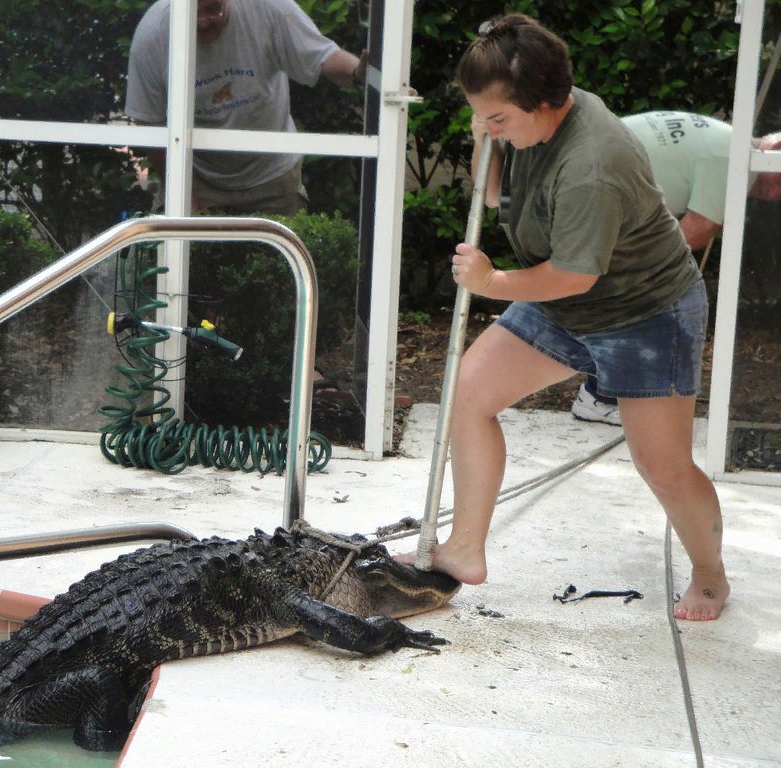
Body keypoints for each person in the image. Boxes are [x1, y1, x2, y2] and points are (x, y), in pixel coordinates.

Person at [398, 14, 729, 621]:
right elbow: (494, 194)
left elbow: (577, 274)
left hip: (645, 311)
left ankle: (710, 574)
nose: (490, 125)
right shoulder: (535, 124)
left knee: (663, 464)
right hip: (566, 301)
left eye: (498, 117)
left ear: (546, 102)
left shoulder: (592, 164)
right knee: (468, 391)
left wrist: (492, 282)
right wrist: (485, 136)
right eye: (483, 114)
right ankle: (466, 548)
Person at [571, 113, 781, 426]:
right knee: (660, 294)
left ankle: (605, 392)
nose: (776, 194)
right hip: (588, 196)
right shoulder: (733, 159)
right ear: (774, 149)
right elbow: (694, 233)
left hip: (583, 181)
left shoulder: (727, 139)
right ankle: (600, 396)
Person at [124, 0, 366, 214]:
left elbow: (324, 56)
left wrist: (359, 72)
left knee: (282, 263)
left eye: (213, 9)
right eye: (192, 12)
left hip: (272, 174)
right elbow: (151, 126)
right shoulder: (152, 35)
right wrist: (182, 189)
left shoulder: (270, 9)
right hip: (196, 177)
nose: (203, 22)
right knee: (178, 260)